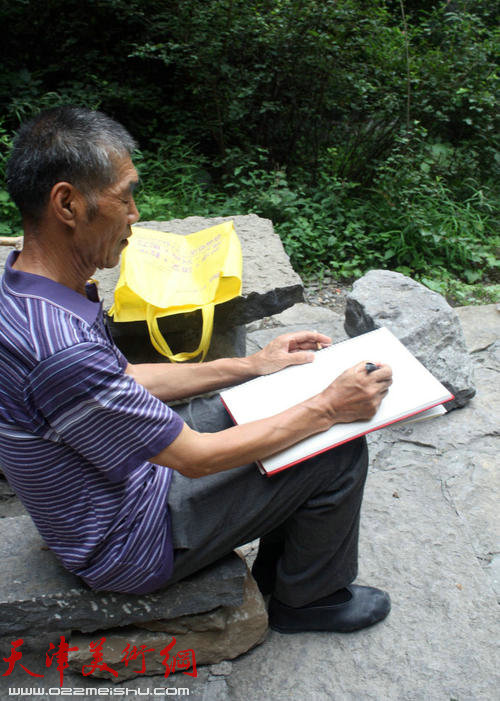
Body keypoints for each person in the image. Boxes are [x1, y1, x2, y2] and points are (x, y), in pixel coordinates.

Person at [0, 106, 393, 634]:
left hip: (109, 487)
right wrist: (329, 408)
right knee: (337, 444)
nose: (135, 215)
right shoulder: (61, 349)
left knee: (275, 398)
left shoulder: (26, 288)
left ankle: (287, 570)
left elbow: (126, 379)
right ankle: (308, 602)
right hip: (126, 539)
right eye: (125, 196)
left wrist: (252, 366)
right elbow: (195, 459)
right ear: (67, 203)